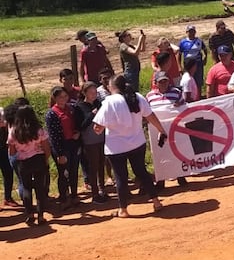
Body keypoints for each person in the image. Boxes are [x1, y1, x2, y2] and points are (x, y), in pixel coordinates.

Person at [93, 74, 164, 217]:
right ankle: (156, 201)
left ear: (111, 87)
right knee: (141, 172)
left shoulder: (109, 102)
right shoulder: (137, 97)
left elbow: (97, 128)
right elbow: (150, 116)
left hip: (116, 147)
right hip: (137, 143)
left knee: (121, 177)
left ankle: (123, 209)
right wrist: (161, 130)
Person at [7, 105, 51, 226]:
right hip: (38, 160)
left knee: (26, 187)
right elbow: (47, 148)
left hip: (23, 162)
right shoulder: (39, 130)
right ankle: (41, 216)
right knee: (40, 188)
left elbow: (12, 152)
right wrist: (46, 159)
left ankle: (29, 214)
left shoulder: (14, 132)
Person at [45, 86, 81, 209]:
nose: (64, 99)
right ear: (55, 98)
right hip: (61, 147)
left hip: (72, 144)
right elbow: (53, 136)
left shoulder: (70, 109)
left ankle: (74, 195)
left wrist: (77, 133)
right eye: (61, 97)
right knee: (64, 173)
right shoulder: (51, 114)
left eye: (65, 96)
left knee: (74, 171)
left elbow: (76, 123)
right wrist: (60, 154)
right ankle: (64, 197)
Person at [74, 81, 109, 203]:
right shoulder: (79, 107)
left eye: (95, 92)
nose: (94, 95)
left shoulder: (98, 103)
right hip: (89, 141)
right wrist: (91, 115)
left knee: (101, 165)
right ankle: (95, 194)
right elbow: (80, 126)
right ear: (84, 93)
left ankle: (102, 189)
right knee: (93, 167)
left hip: (101, 138)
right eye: (91, 92)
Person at [0, 107, 22, 209]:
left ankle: (8, 198)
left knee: (8, 173)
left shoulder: (1, 110)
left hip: (4, 148)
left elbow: (6, 123)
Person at [178, 25, 207, 92]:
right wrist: (179, 66)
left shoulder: (199, 41)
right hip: (188, 65)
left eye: (193, 31)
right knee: (188, 80)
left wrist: (205, 57)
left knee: (198, 81)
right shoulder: (183, 42)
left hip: (198, 64)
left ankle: (198, 96)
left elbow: (204, 49)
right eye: (190, 31)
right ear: (186, 32)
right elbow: (179, 54)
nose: (191, 33)